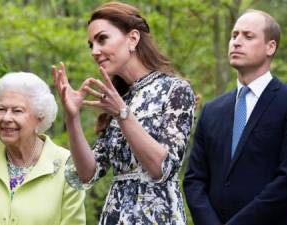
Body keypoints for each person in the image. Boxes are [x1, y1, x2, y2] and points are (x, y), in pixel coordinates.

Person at [52, 2, 195, 224]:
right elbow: (87, 174)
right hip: (115, 217)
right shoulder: (118, 99)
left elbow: (162, 169)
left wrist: (123, 114)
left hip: (158, 217)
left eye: (102, 39)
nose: (94, 51)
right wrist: (72, 117)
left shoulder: (175, 90)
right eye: (91, 45)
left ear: (133, 38)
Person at [183, 9, 287, 225]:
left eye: (248, 36)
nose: (236, 42)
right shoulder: (211, 110)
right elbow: (194, 180)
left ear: (270, 46)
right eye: (234, 35)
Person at [0, 72, 86, 225]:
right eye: (1, 109)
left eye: (17, 111)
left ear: (40, 118)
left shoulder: (67, 164)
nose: (6, 118)